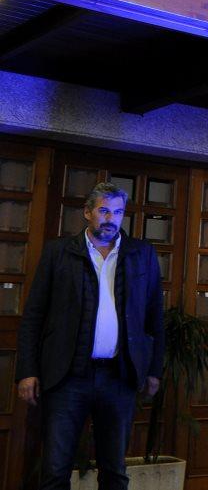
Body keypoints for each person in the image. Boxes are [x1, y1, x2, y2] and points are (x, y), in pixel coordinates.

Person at [16, 182, 164, 490]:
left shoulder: (142, 254)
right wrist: (27, 371)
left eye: (118, 212)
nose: (111, 218)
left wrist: (153, 370)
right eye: (104, 210)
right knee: (56, 470)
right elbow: (34, 316)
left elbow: (154, 317)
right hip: (67, 377)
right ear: (87, 212)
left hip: (118, 377)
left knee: (115, 471)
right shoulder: (59, 252)